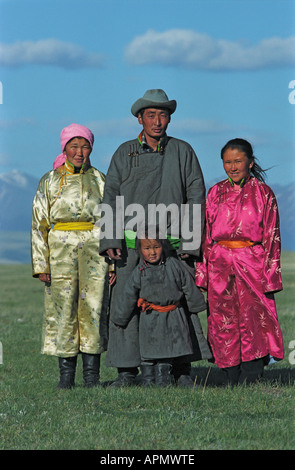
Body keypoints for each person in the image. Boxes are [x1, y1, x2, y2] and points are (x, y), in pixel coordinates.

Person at [99, 89, 208, 386]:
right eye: (151, 115)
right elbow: (110, 197)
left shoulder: (183, 151)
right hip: (132, 245)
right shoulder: (124, 152)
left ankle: (181, 369)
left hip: (173, 245)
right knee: (127, 302)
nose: (157, 121)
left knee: (177, 305)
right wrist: (110, 239)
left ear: (170, 118)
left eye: (163, 115)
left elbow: (196, 196)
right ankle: (126, 371)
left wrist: (191, 242)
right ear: (140, 118)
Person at [195, 138, 284, 385]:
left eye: (238, 161)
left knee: (253, 319)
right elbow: (206, 236)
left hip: (252, 263)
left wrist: (271, 275)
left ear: (250, 162)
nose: (233, 167)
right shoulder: (215, 192)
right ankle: (229, 374)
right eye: (227, 162)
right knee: (223, 320)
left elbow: (272, 237)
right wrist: (202, 274)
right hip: (219, 264)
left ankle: (252, 374)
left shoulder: (264, 194)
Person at [31, 123, 110, 389]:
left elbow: (110, 220)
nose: (79, 152)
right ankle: (66, 378)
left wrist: (113, 265)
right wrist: (41, 264)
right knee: (63, 310)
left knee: (94, 309)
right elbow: (39, 223)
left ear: (91, 149)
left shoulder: (100, 179)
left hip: (95, 250)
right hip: (60, 252)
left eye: (85, 146)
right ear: (64, 148)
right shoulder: (50, 180)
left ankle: (91, 378)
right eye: (74, 146)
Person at [111, 228, 208, 387]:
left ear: (163, 245)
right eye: (147, 248)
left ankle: (167, 379)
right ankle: (148, 380)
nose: (152, 252)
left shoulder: (174, 266)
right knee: (150, 351)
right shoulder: (139, 271)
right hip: (150, 318)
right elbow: (129, 294)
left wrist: (196, 305)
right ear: (140, 250)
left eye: (156, 247)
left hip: (173, 316)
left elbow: (187, 286)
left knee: (171, 348)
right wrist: (120, 318)